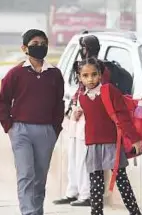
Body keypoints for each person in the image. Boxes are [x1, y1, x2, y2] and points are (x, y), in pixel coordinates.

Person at [0, 29, 65, 215]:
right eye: (34, 44)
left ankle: (37, 211)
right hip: (21, 131)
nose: (39, 47)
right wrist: (9, 127)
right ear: (24, 48)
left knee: (39, 178)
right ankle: (28, 212)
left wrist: (55, 129)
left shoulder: (55, 74)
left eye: (42, 43)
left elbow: (59, 103)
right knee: (26, 175)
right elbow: (2, 102)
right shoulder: (15, 74)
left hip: (46, 131)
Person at [77, 57, 142, 215]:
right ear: (80, 77)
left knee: (122, 181)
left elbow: (123, 116)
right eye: (85, 76)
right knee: (96, 186)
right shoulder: (82, 97)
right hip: (92, 144)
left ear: (100, 75)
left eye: (94, 74)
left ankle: (135, 213)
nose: (90, 79)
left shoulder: (108, 90)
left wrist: (135, 139)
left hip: (112, 144)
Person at [54, 35, 110, 207]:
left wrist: (82, 107)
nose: (84, 50)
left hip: (89, 119)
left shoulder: (101, 69)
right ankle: (73, 191)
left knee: (84, 159)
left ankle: (87, 194)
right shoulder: (81, 67)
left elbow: (100, 92)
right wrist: (73, 107)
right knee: (73, 157)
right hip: (77, 118)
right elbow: (79, 90)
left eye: (86, 46)